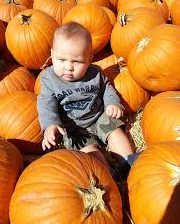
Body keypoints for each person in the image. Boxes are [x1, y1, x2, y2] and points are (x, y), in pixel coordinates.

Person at [37, 22, 137, 178]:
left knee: (115, 133)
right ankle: (108, 176)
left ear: (90, 59)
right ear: (52, 54)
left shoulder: (95, 73)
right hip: (74, 129)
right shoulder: (49, 79)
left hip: (98, 117)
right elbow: (45, 104)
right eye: (61, 59)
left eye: (77, 61)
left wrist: (112, 103)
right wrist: (50, 125)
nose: (68, 67)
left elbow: (106, 89)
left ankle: (128, 163)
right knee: (90, 153)